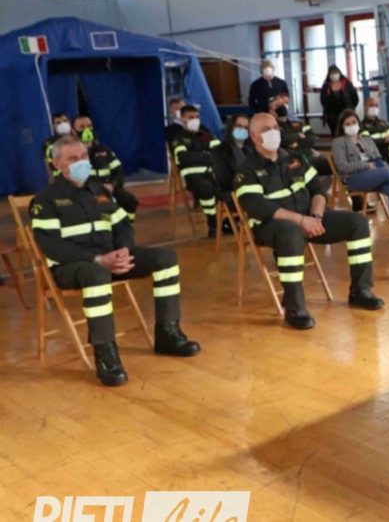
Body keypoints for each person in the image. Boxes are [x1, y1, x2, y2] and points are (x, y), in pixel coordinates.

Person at [30, 136, 200, 386]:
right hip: (70, 267)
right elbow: (53, 246)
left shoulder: (98, 191)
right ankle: (106, 354)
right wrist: (98, 259)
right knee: (96, 274)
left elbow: (122, 225)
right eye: (73, 158)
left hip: (111, 258)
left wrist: (123, 250)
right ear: (56, 164)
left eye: (83, 156)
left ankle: (168, 333)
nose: (81, 161)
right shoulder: (46, 200)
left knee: (166, 258)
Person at [235, 113, 384, 329]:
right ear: (254, 136)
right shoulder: (246, 170)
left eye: (275, 127)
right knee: (291, 232)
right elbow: (258, 206)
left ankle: (360, 290)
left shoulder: (295, 159)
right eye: (266, 130)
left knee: (358, 222)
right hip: (270, 226)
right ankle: (294, 308)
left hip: (310, 217)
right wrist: (301, 220)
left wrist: (315, 217)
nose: (274, 132)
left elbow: (318, 190)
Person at [331, 109, 389, 230]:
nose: (352, 125)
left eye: (354, 122)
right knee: (386, 172)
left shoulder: (366, 139)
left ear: (358, 123)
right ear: (342, 127)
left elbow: (378, 159)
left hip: (375, 175)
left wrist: (381, 166)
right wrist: (366, 165)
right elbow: (342, 167)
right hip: (354, 178)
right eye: (347, 124)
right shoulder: (339, 142)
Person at [73, 115, 140, 223]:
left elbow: (118, 171)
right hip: (87, 193)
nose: (87, 130)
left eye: (89, 126)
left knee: (129, 201)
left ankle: (126, 227)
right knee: (104, 208)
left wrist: (113, 184)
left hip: (109, 189)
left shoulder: (105, 150)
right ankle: (108, 227)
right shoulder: (72, 154)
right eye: (82, 127)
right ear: (73, 131)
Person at [171, 105, 224, 238]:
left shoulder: (205, 135)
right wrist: (206, 155)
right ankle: (212, 223)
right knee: (206, 190)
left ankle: (228, 221)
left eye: (197, 117)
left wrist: (198, 156)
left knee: (226, 189)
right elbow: (183, 158)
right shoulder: (179, 138)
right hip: (192, 175)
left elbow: (219, 152)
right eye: (191, 117)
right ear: (183, 119)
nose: (195, 120)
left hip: (212, 172)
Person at [212, 114, 253, 203]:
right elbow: (224, 180)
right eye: (239, 126)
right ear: (231, 128)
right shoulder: (219, 151)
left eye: (246, 127)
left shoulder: (252, 149)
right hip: (232, 193)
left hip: (254, 189)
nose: (243, 130)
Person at [360, 95, 389, 166]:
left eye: (376, 105)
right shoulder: (362, 126)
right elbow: (367, 142)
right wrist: (384, 140)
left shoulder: (384, 123)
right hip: (377, 158)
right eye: (371, 105)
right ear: (365, 107)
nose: (374, 108)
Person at [320, 65, 359, 135]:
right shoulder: (326, 86)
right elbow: (323, 101)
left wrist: (351, 109)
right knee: (336, 133)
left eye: (336, 73)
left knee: (349, 132)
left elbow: (355, 99)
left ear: (339, 73)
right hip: (332, 116)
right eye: (332, 73)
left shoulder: (347, 83)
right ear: (329, 75)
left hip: (347, 114)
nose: (334, 75)